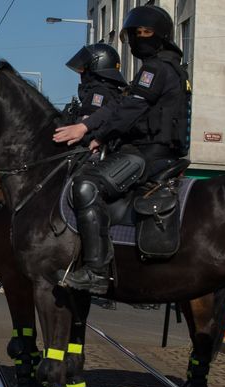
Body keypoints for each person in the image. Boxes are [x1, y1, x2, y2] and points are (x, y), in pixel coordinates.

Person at [53, 5, 191, 294]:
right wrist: (98, 134)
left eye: (146, 32)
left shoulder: (156, 68)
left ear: (161, 35)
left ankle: (96, 271)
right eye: (135, 33)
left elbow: (129, 108)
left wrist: (89, 130)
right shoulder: (169, 67)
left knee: (86, 186)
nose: (140, 38)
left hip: (147, 154)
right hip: (156, 150)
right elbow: (123, 107)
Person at [65, 43, 127, 123]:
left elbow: (87, 126)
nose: (81, 74)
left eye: (84, 69)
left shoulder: (99, 93)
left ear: (96, 66)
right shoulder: (112, 92)